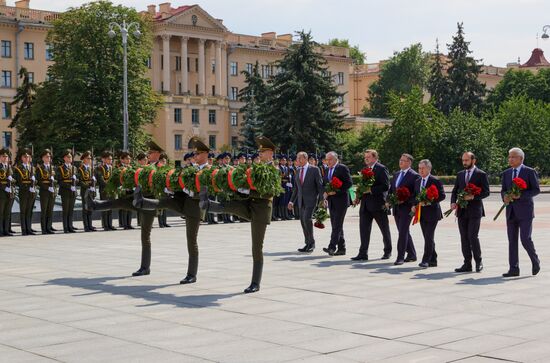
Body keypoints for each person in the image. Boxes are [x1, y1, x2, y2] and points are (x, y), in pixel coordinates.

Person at [200, 136, 277, 293]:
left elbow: (269, 191)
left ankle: (255, 283)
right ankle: (209, 205)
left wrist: (249, 189)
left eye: (263, 151)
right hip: (250, 203)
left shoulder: (274, 170)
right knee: (232, 205)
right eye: (259, 152)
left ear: (271, 153)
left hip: (261, 210)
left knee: (256, 247)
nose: (260, 154)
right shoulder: (255, 167)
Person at [134, 137, 211, 284]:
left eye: (198, 154)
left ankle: (191, 274)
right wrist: (171, 188)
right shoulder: (191, 169)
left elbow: (206, 190)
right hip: (183, 202)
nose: (195, 156)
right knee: (166, 201)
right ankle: (143, 201)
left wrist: (190, 191)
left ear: (206, 154)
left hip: (194, 208)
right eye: (194, 154)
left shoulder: (209, 170)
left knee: (191, 240)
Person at [84, 140, 161, 276]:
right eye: (148, 153)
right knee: (119, 202)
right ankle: (94, 205)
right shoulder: (145, 167)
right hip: (138, 199)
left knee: (145, 236)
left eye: (151, 153)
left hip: (149, 203)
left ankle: (145, 267)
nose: (148, 155)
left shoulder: (160, 167)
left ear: (158, 154)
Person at [501, 147, 541, 277]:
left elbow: (536, 190)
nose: (510, 159)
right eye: (509, 157)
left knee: (525, 239)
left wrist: (521, 195)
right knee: (512, 240)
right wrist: (504, 197)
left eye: (513, 157)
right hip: (511, 211)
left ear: (521, 158)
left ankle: (535, 261)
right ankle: (514, 269)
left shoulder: (529, 172)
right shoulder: (506, 173)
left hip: (525, 212)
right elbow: (503, 190)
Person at [451, 152, 490, 273]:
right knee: (464, 237)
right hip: (462, 211)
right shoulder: (460, 174)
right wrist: (453, 202)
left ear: (474, 160)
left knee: (472, 236)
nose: (464, 162)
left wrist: (473, 196)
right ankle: (467, 263)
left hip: (475, 211)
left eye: (467, 160)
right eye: (463, 160)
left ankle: (479, 262)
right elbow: (454, 190)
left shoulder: (481, 174)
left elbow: (486, 192)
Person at [352, 149, 392, 261]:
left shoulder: (381, 168)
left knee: (384, 229)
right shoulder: (364, 170)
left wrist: (371, 189)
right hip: (365, 205)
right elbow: (362, 186)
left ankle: (387, 251)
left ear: (375, 158)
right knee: (364, 229)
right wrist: (358, 197)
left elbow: (385, 186)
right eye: (365, 157)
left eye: (368, 157)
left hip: (378, 204)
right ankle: (363, 253)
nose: (366, 159)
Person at [412, 160, 445, 268]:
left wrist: (430, 201)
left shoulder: (435, 180)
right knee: (427, 237)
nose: (420, 170)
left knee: (429, 236)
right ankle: (433, 260)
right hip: (421, 213)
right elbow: (415, 196)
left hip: (432, 214)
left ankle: (426, 260)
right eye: (419, 168)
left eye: (423, 168)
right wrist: (414, 205)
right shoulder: (417, 181)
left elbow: (442, 196)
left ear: (429, 169)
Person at [288, 151, 324, 253]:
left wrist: (322, 199)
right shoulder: (298, 170)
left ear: (305, 158)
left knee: (307, 219)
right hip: (300, 200)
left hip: (311, 199)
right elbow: (296, 188)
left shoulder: (314, 169)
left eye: (299, 158)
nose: (298, 160)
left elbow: (319, 185)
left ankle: (312, 243)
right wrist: (291, 201)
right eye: (297, 158)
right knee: (302, 221)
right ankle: (307, 243)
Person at [389, 153, 420, 265]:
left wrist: (407, 200)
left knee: (402, 232)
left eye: (403, 160)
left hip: (407, 208)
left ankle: (400, 257)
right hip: (397, 207)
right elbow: (391, 189)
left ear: (409, 162)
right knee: (403, 231)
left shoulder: (414, 175)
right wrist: (389, 200)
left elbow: (416, 193)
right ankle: (412, 254)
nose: (400, 162)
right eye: (400, 159)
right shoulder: (396, 174)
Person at [322, 151, 352, 256]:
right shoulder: (326, 170)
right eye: (326, 159)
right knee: (336, 225)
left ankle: (331, 247)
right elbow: (324, 184)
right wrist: (325, 193)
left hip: (341, 200)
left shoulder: (342, 168)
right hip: (331, 201)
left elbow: (349, 183)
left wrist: (336, 191)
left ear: (335, 159)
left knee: (337, 225)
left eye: (329, 159)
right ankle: (342, 248)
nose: (328, 161)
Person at [13, 149, 36, 235]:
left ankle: (29, 228)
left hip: (32, 192)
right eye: (25, 157)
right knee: (23, 211)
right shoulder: (18, 169)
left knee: (29, 211)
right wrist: (28, 187)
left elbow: (35, 180)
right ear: (22, 158)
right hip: (23, 192)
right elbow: (19, 182)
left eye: (28, 157)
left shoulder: (32, 168)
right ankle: (24, 229)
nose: (27, 158)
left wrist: (34, 182)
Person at [57, 149, 78, 233]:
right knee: (65, 210)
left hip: (73, 191)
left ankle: (70, 225)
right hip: (65, 191)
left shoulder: (74, 168)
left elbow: (77, 179)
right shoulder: (60, 168)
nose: (70, 158)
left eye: (71, 157)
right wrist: (69, 186)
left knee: (71, 209)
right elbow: (60, 181)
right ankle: (65, 227)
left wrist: (76, 180)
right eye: (68, 157)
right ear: (64, 158)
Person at [36, 149, 56, 234]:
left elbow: (57, 180)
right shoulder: (40, 168)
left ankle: (49, 227)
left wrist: (53, 181)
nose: (49, 158)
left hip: (52, 192)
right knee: (44, 210)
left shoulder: (53, 168)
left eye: (49, 157)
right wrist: (47, 188)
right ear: (43, 158)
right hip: (44, 192)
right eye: (47, 157)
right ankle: (44, 228)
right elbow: (39, 181)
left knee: (50, 210)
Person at [96, 151, 115, 231]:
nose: (110, 160)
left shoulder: (112, 168)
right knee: (104, 207)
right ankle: (105, 224)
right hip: (104, 190)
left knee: (110, 207)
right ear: (103, 159)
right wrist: (109, 185)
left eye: (111, 159)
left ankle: (110, 224)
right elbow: (100, 180)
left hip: (112, 190)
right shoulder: (100, 168)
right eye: (108, 159)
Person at [78, 151, 97, 232]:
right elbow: (80, 181)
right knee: (85, 209)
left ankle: (90, 225)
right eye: (88, 158)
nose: (89, 160)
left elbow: (94, 181)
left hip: (91, 191)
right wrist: (88, 185)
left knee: (90, 209)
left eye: (90, 158)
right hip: (85, 191)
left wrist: (94, 184)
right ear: (84, 159)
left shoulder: (91, 169)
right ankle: (86, 226)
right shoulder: (80, 169)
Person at [118, 151, 134, 230]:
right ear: (123, 160)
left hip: (130, 189)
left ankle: (129, 223)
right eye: (127, 159)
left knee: (130, 206)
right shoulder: (120, 168)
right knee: (124, 207)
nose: (129, 160)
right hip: (123, 189)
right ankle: (124, 224)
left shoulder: (131, 168)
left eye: (129, 159)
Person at [0, 148, 14, 236]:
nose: (5, 158)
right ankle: (1, 230)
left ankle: (6, 230)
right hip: (1, 193)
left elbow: (14, 179)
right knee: (1, 213)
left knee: (7, 212)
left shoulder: (10, 167)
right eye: (3, 156)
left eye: (6, 157)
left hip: (10, 193)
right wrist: (4, 187)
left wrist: (12, 180)